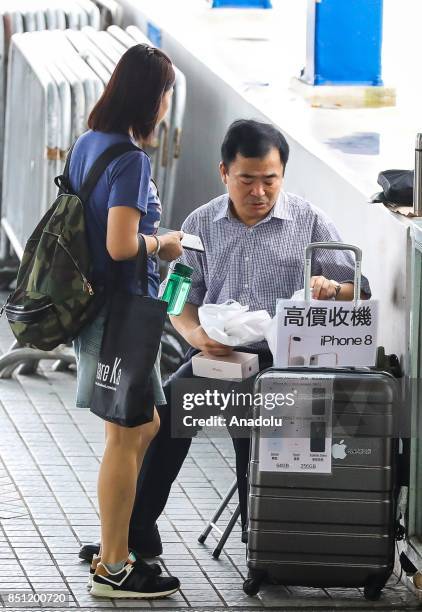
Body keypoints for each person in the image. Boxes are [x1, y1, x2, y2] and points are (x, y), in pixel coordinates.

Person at [79, 118, 371, 562]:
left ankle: (263, 542)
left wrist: (331, 289)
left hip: (282, 364)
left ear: (282, 176)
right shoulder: (201, 224)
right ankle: (133, 533)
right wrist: (197, 334)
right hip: (218, 357)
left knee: (254, 424)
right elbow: (176, 298)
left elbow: (360, 289)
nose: (259, 192)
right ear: (224, 173)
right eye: (247, 180)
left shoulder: (308, 221)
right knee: (164, 412)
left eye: (269, 180)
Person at [71, 44, 183, 598]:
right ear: (152, 98)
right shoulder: (131, 160)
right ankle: (114, 568)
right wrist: (161, 242)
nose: (167, 104)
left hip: (95, 309)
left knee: (137, 429)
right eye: (165, 93)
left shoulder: (88, 144)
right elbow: (120, 245)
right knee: (130, 432)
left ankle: (114, 549)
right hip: (120, 315)